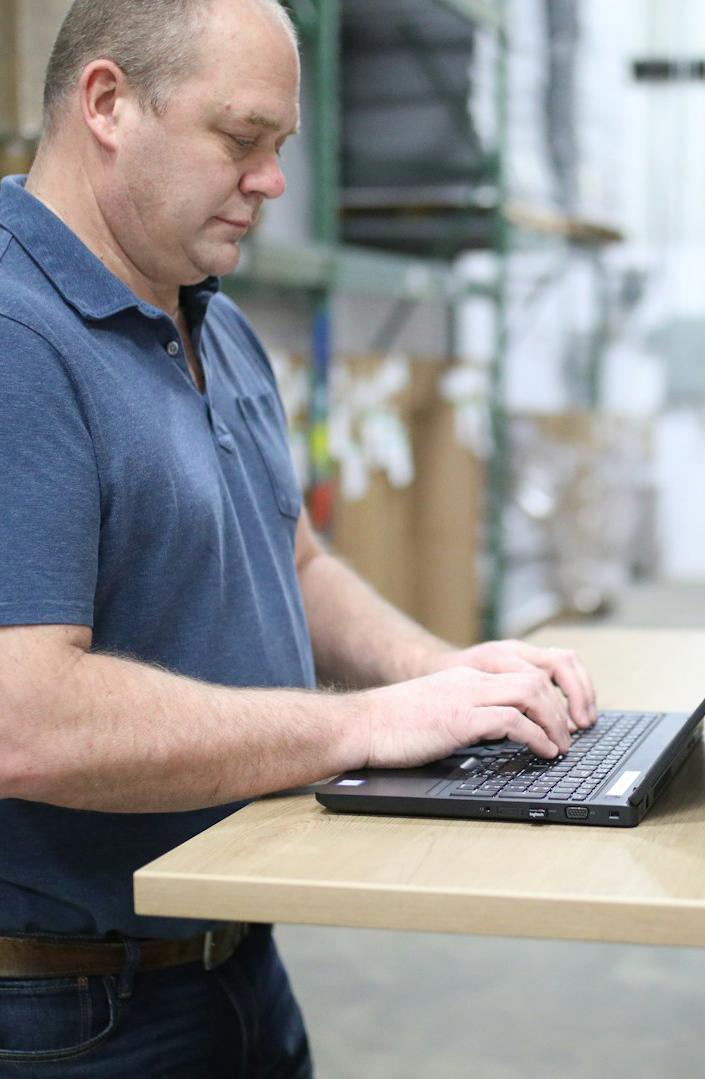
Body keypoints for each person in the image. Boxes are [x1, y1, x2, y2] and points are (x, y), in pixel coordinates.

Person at [0, 0, 598, 1073]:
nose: (272, 180)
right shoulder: (16, 339)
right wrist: (362, 725)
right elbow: (22, 717)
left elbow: (290, 561)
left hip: (231, 964)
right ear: (107, 104)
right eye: (241, 140)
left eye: (279, 148)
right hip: (65, 1012)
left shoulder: (215, 323)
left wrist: (448, 674)